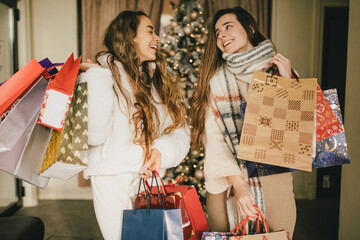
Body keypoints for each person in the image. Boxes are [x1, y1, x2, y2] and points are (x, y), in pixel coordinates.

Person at [79, 10, 190, 240]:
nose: (157, 38)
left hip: (151, 180)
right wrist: (98, 80)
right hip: (113, 179)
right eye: (150, 31)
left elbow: (179, 131)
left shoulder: (157, 81)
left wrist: (161, 150)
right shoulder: (101, 75)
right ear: (130, 37)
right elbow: (94, 135)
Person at [190, 7, 296, 237]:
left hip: (273, 178)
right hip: (229, 183)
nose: (221, 35)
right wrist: (240, 186)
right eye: (217, 32)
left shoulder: (279, 70)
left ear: (248, 28)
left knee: (279, 234)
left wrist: (288, 82)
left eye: (228, 26)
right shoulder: (216, 80)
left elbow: (295, 130)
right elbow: (214, 138)